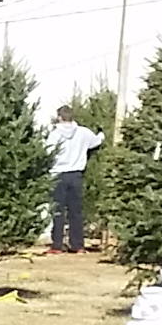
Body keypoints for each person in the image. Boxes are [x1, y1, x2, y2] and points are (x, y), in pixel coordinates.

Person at [44, 105, 103, 253]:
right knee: (75, 211)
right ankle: (77, 245)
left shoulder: (54, 134)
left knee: (58, 211)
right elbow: (96, 141)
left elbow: (47, 151)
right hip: (76, 175)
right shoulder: (83, 132)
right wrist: (101, 134)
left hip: (58, 174)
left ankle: (57, 245)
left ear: (59, 117)